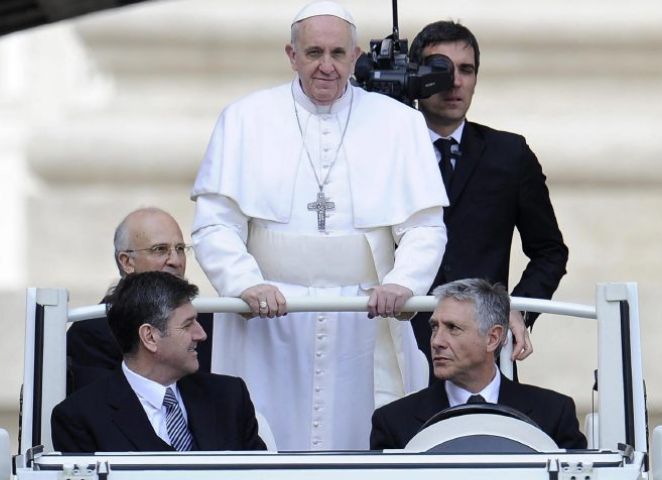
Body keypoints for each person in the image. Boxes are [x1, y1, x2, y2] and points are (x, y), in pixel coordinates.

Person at [189, 1, 448, 451]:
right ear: (291, 55)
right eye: (313, 54)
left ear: (355, 57)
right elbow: (215, 225)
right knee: (266, 437)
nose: (326, 66)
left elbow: (425, 226)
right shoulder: (244, 119)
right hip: (270, 317)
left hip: (365, 314)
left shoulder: (400, 124)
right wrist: (245, 283)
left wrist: (403, 283)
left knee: (364, 443)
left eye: (337, 54)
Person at [408, 21, 568, 370]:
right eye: (441, 69)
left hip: (485, 348)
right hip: (401, 345)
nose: (455, 82)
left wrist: (518, 309)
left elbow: (550, 251)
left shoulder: (509, 154)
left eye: (466, 70)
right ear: (416, 76)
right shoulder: (388, 151)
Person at [52, 272, 266, 453]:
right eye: (188, 325)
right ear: (150, 337)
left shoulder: (229, 397)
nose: (201, 334)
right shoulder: (81, 417)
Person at [369, 278, 586, 451]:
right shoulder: (393, 422)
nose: (437, 341)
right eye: (435, 327)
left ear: (492, 338)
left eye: (453, 328)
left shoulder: (553, 414)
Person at [66, 207, 214, 393]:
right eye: (160, 250)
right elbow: (99, 413)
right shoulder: (93, 331)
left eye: (180, 249)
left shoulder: (204, 323)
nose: (176, 261)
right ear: (127, 262)